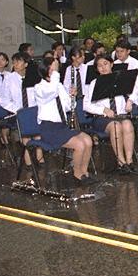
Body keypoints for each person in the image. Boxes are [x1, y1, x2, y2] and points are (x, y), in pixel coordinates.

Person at [34, 56, 94, 185]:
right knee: (79, 145)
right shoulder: (39, 88)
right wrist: (55, 74)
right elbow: (51, 92)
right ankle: (77, 174)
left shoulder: (59, 85)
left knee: (88, 140)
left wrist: (72, 96)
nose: (57, 69)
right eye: (54, 66)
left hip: (62, 126)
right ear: (47, 69)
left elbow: (68, 107)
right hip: (49, 128)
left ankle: (84, 172)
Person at [84, 55, 136, 174]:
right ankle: (121, 162)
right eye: (99, 65)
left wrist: (130, 101)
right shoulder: (94, 83)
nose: (103, 67)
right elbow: (86, 105)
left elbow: (134, 93)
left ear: (111, 64)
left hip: (120, 115)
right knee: (116, 126)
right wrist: (103, 110)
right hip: (102, 118)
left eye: (105, 64)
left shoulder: (121, 78)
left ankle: (129, 160)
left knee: (127, 124)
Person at [0, 52, 39, 167]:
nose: (15, 64)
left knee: (38, 133)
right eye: (14, 62)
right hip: (18, 112)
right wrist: (18, 109)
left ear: (26, 64)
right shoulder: (9, 79)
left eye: (18, 61)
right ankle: (28, 162)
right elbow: (4, 100)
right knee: (26, 131)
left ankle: (39, 158)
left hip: (33, 111)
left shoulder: (34, 77)